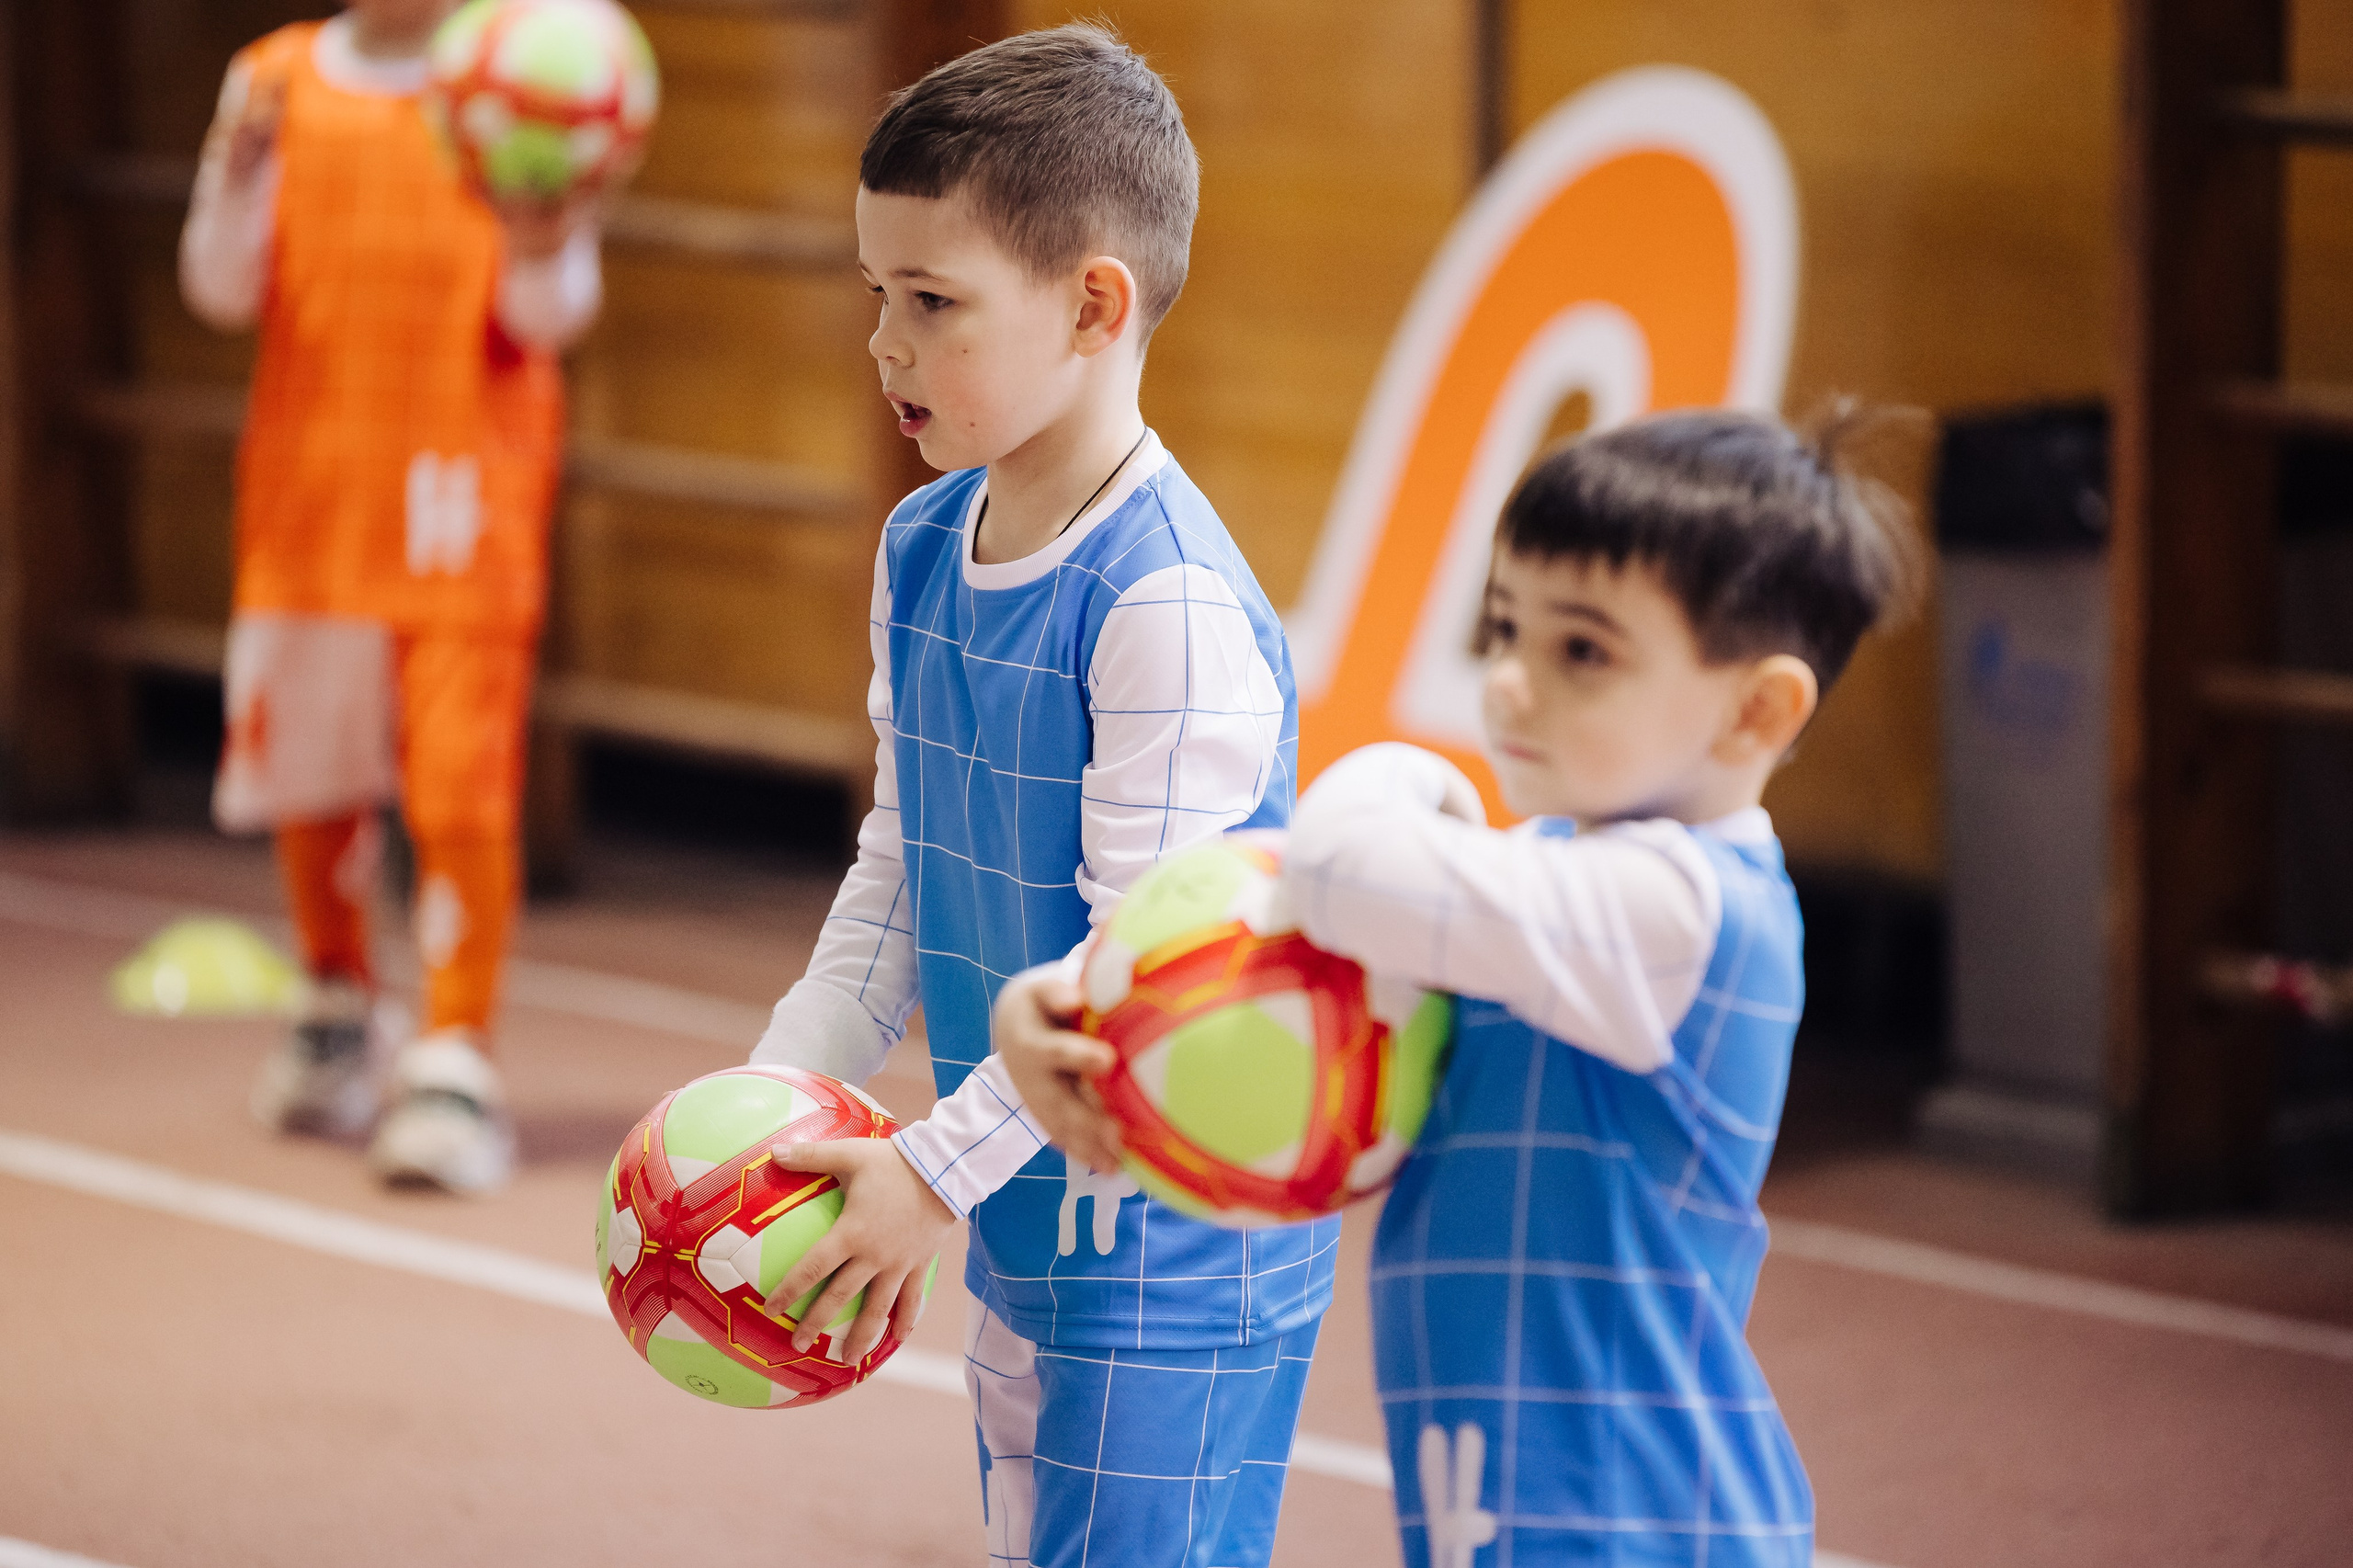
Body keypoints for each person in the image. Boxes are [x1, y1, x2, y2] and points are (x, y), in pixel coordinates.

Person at [1004, 407, 1919, 1565]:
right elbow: (1306, 1022)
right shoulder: (1550, 885)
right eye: (1503, 629)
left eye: (1580, 651)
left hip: (1642, 1521)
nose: (1511, 687)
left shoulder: (1681, 909)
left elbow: (1335, 869)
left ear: (1757, 709)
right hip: (1500, 1504)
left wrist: (1408, 771)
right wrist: (1074, 1023)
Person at [740, 24, 1334, 1568]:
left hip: (1176, 1251)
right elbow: (903, 861)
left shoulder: (1169, 607)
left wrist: (927, 1168)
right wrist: (775, 1097)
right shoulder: (924, 548)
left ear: (1092, 305)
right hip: (1023, 1212)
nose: (884, 344)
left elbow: (1138, 977)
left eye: (931, 303)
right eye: (879, 293)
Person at [179, 0, 604, 1194]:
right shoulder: (269, 79)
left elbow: (549, 314)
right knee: (309, 765)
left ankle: (455, 1053)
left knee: (459, 777)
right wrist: (234, 179)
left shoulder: (518, 74)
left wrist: (542, 235)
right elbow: (219, 287)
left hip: (464, 493)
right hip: (314, 484)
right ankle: (334, 999)